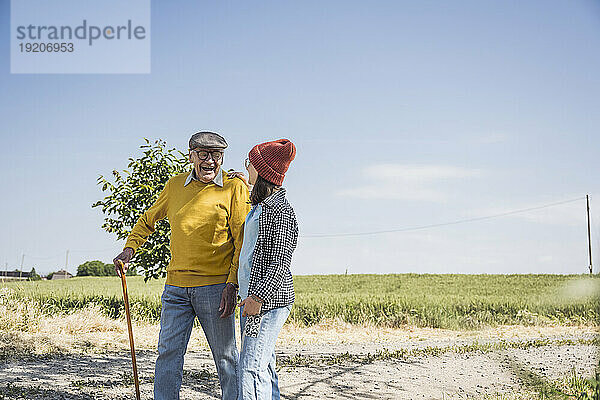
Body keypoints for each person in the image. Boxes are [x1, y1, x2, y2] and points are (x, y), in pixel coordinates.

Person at [113, 131, 250, 400]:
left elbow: (241, 241)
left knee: (225, 357)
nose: (210, 160)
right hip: (175, 289)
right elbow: (148, 218)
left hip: (215, 288)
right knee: (168, 353)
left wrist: (232, 284)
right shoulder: (175, 186)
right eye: (203, 154)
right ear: (191, 156)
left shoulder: (234, 188)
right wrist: (130, 248)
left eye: (217, 155)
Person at [236, 139, 298, 400]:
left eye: (249, 163)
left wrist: (257, 297)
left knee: (250, 367)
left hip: (265, 303)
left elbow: (280, 262)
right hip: (254, 299)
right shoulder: (262, 207)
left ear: (261, 171)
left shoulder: (278, 212)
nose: (246, 166)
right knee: (264, 364)